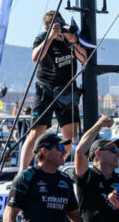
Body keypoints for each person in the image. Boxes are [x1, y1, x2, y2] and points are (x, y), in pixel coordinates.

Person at [20, 11, 88, 169]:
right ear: (47, 27)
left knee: (70, 136)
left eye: (61, 23)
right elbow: (35, 57)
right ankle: (22, 172)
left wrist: (74, 42)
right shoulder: (42, 38)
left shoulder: (70, 37)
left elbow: (84, 59)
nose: (60, 28)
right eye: (56, 25)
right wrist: (50, 37)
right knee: (36, 132)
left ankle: (54, 166)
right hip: (46, 87)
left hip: (66, 89)